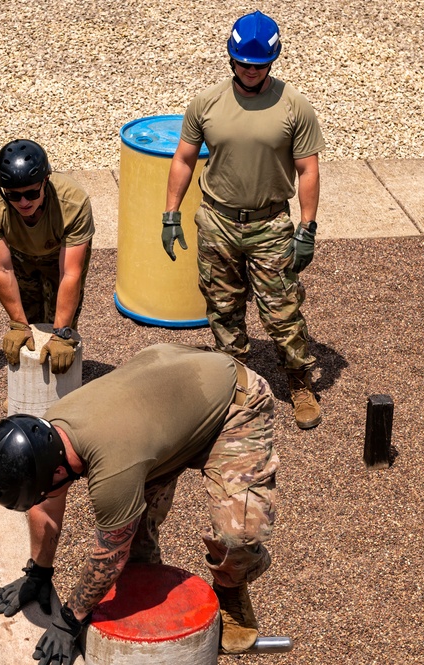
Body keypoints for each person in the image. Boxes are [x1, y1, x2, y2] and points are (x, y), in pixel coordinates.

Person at [0, 343, 279, 660]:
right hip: (164, 399)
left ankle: (232, 589)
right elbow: (46, 508)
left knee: (239, 531)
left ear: (54, 469)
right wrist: (38, 573)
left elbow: (109, 555)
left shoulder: (113, 470)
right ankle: (146, 589)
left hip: (234, 400)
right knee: (133, 534)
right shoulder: (47, 436)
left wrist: (70, 619)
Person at [162, 11, 326, 429]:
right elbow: (183, 159)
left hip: (270, 224)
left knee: (282, 309)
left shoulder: (294, 107)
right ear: (231, 60)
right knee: (222, 306)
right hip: (217, 219)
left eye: (259, 65)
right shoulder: (206, 103)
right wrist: (170, 214)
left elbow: (308, 169)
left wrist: (307, 228)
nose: (251, 71)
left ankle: (299, 381)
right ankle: (234, 379)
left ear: (272, 62)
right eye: (243, 64)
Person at [0, 140, 93, 375]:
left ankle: (59, 394)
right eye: (13, 196)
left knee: (60, 326)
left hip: (61, 252)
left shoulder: (73, 203)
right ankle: (29, 393)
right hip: (18, 252)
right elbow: (1, 267)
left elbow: (71, 272)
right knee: (29, 318)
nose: (24, 202)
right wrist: (18, 324)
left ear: (45, 181)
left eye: (31, 193)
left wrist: (62, 333)